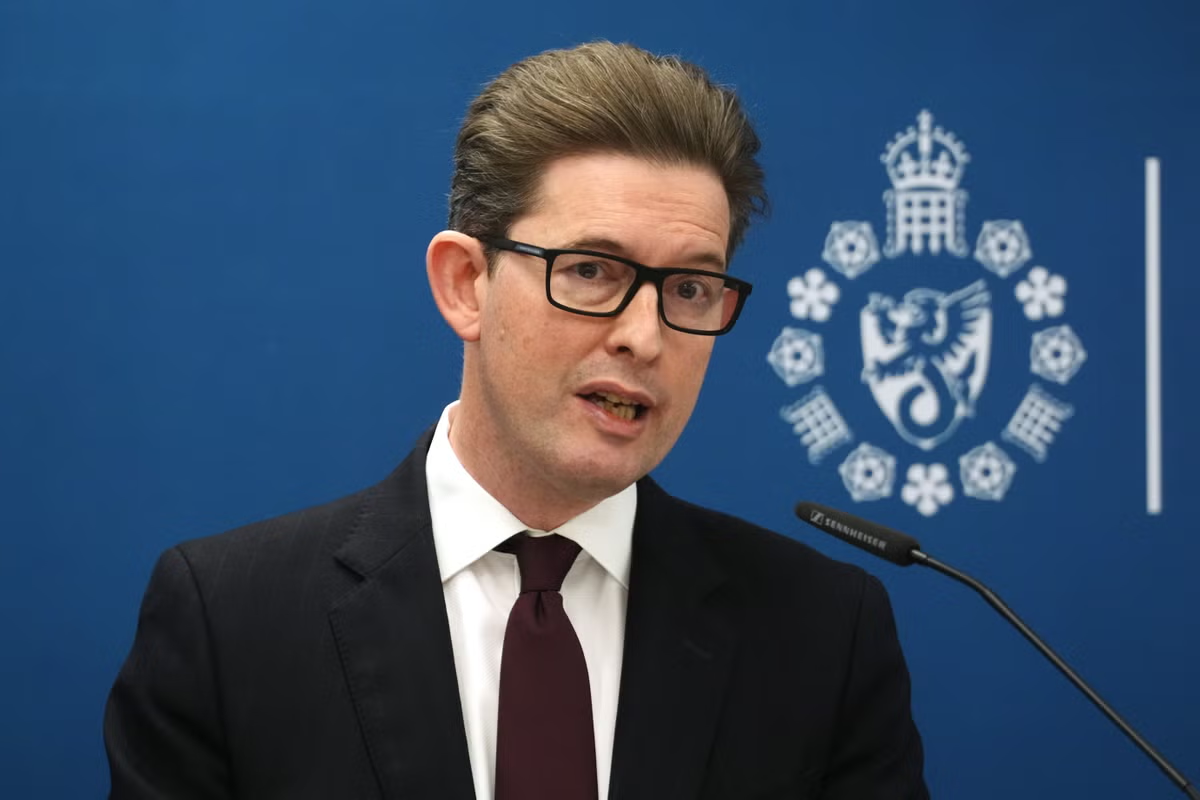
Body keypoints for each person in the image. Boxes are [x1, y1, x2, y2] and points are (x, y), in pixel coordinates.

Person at [105, 41, 928, 799]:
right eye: (592, 271)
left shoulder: (824, 633)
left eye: (689, 289)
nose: (644, 337)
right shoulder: (231, 621)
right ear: (466, 284)